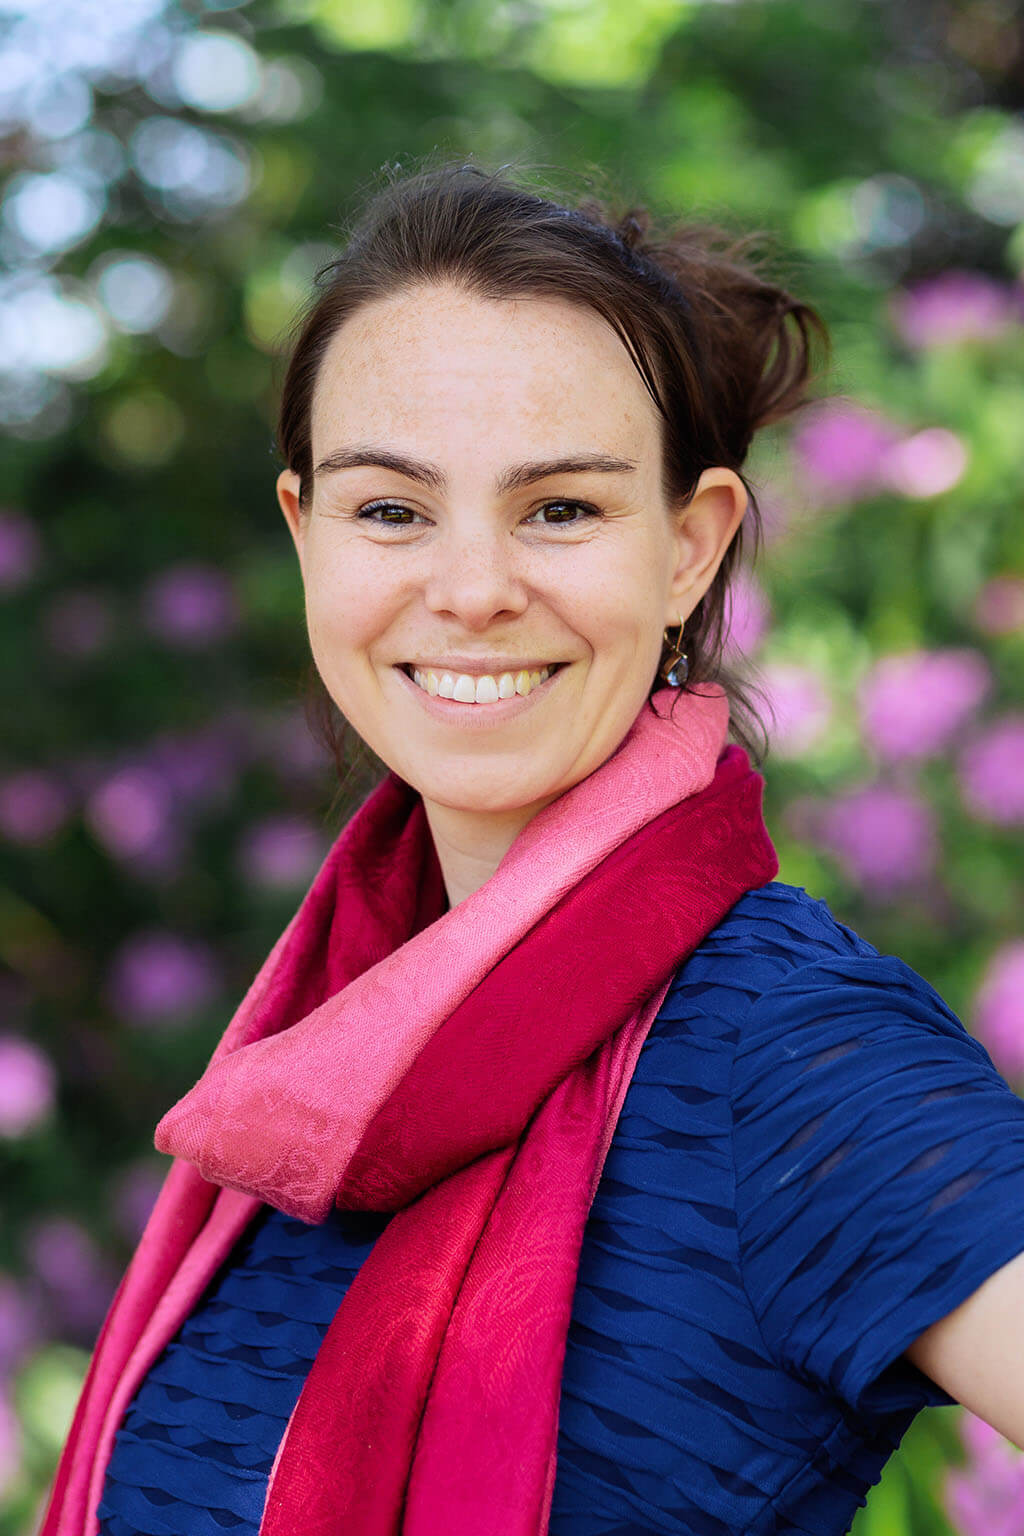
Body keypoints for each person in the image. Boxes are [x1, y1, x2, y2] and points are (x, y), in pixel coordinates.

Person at [42, 158, 1024, 1536]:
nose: (472, 589)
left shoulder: (786, 1048)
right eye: (391, 508)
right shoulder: (312, 1069)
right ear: (306, 533)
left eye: (560, 508)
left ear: (690, 547)